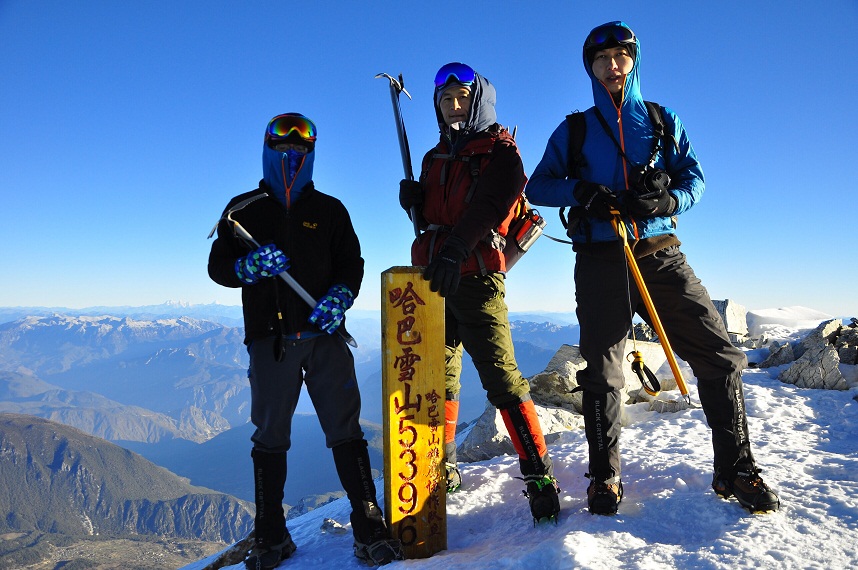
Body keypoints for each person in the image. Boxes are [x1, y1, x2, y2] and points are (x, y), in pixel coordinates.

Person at [526, 22, 780, 515]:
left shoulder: (662, 121)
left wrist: (668, 199)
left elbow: (694, 180)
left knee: (720, 355)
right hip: (600, 258)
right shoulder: (574, 129)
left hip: (659, 253)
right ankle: (604, 478)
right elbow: (538, 186)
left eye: (620, 56)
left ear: (634, 60)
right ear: (590, 69)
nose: (612, 66)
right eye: (601, 60)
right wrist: (581, 192)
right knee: (603, 371)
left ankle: (736, 468)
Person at [208, 113, 402, 568]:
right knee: (270, 435)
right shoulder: (243, 211)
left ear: (312, 154)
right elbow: (218, 267)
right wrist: (247, 269)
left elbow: (351, 263)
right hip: (271, 340)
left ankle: (368, 522)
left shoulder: (329, 210)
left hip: (325, 337)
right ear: (267, 149)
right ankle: (271, 534)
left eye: (301, 149)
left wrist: (341, 296)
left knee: (345, 428)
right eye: (282, 147)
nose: (292, 155)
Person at [398, 63, 560, 523]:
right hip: (434, 274)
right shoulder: (434, 157)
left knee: (502, 378)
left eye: (462, 98)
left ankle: (539, 476)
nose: (453, 106)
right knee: (440, 376)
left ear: (479, 101)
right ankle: (443, 466)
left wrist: (454, 251)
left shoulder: (501, 153)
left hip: (476, 276)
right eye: (445, 100)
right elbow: (438, 216)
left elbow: (489, 206)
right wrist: (415, 201)